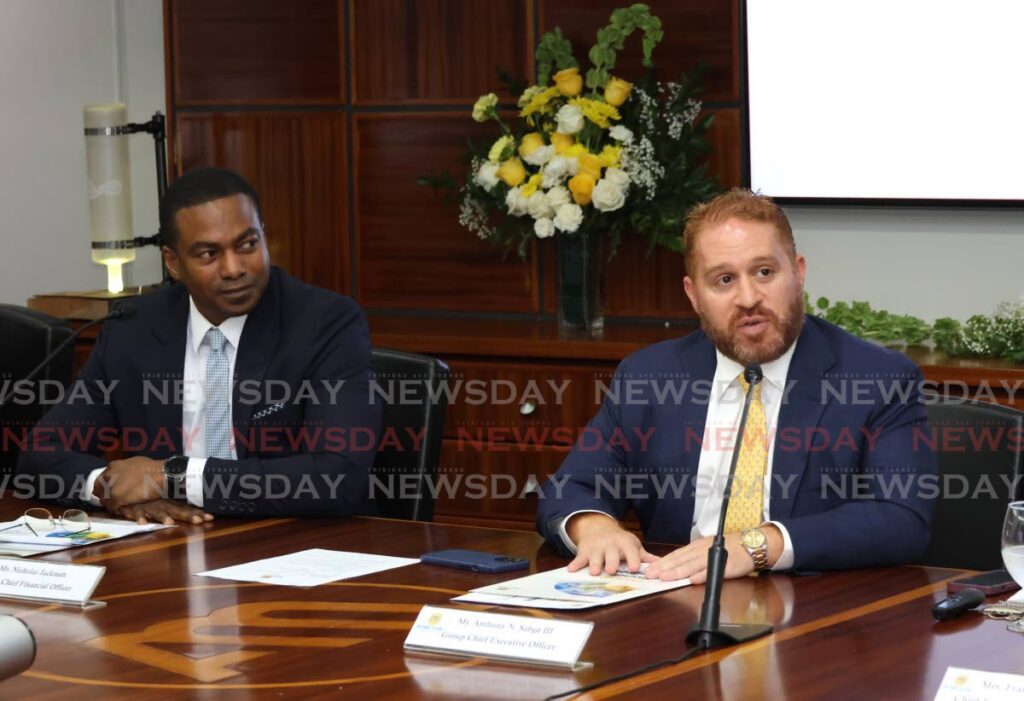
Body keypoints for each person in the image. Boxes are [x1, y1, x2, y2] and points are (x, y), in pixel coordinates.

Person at [536, 188, 937, 582]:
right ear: (694, 295)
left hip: (813, 613)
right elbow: (573, 486)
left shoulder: (876, 379)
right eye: (724, 280)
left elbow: (901, 518)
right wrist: (592, 527)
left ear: (798, 272)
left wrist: (758, 546)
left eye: (764, 272)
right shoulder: (650, 376)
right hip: (677, 604)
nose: (748, 298)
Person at [18, 167, 381, 524]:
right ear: (173, 263)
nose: (234, 268)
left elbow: (339, 476)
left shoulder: (325, 323)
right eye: (209, 254)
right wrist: (112, 489)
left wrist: (171, 475)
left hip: (293, 549)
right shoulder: (134, 327)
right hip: (173, 546)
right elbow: (41, 454)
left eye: (248, 244)